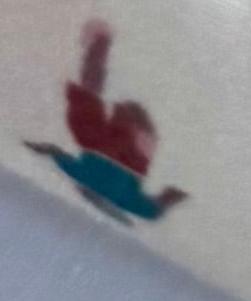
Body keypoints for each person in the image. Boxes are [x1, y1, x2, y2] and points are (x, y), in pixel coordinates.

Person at [28, 22, 187, 223]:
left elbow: (157, 209)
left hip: (118, 150)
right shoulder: (87, 177)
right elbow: (54, 153)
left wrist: (171, 197)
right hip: (117, 150)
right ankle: (101, 43)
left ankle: (101, 43)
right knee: (89, 109)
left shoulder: (127, 200)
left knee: (89, 108)